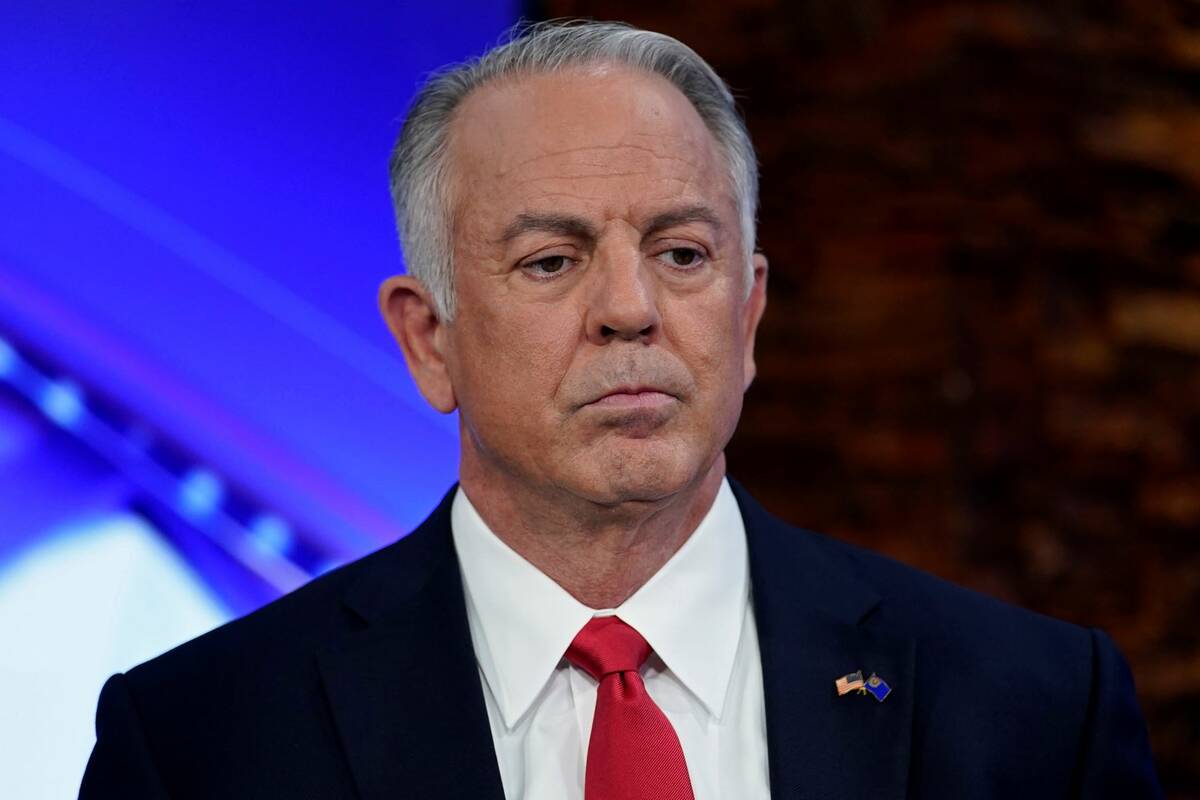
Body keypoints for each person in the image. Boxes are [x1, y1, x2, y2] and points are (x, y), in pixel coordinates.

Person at [79, 20, 1161, 799]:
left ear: (749, 314)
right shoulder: (197, 743)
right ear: (429, 336)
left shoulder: (1035, 711)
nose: (631, 309)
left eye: (682, 253)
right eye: (552, 260)